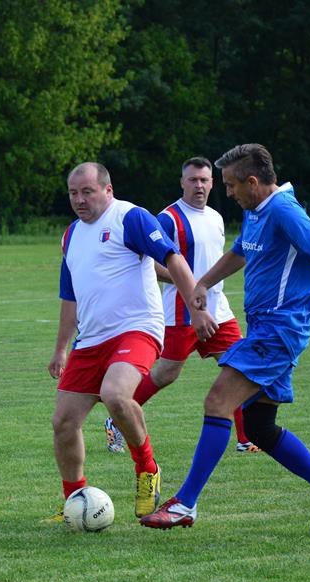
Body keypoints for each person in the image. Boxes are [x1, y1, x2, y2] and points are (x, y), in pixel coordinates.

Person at [139, 144, 310, 535]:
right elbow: (239, 254)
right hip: (264, 329)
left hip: (279, 330)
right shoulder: (257, 213)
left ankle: (185, 504)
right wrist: (203, 283)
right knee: (259, 427)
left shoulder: (284, 211)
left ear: (253, 182)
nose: (227, 193)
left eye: (230, 185)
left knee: (217, 401)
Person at [48, 162, 214, 519]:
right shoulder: (71, 235)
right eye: (73, 193)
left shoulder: (131, 217)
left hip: (137, 328)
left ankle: (147, 469)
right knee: (64, 421)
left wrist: (197, 309)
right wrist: (61, 347)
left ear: (108, 190)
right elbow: (69, 297)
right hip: (90, 339)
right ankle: (75, 500)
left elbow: (173, 259)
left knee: (115, 394)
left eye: (87, 191)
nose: (79, 199)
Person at [104, 157, 257, 454]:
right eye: (192, 180)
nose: (198, 185)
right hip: (180, 311)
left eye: (204, 180)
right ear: (182, 182)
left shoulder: (216, 217)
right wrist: (188, 283)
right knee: (166, 374)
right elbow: (150, 262)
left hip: (218, 311)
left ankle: (246, 439)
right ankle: (118, 417)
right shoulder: (168, 218)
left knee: (242, 367)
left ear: (212, 183)